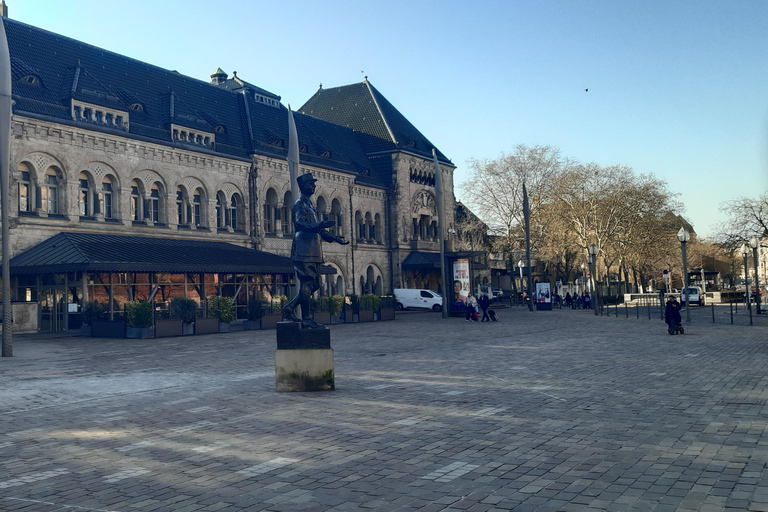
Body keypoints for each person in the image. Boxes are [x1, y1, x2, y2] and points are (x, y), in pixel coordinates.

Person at [283, 173, 349, 329]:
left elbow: (317, 229)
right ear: (304, 186)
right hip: (303, 250)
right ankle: (306, 318)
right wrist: (320, 224)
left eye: (314, 184)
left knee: (316, 284)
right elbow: (299, 224)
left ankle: (290, 307)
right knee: (307, 282)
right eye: (311, 184)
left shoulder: (309, 205)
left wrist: (335, 238)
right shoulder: (299, 204)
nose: (314, 186)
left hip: (313, 250)